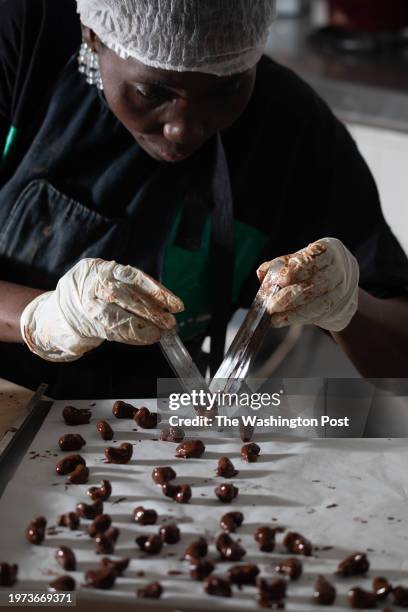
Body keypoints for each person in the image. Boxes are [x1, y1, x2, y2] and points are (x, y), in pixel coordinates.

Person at [0, 0, 407, 400]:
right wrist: (41, 317)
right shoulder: (26, 38)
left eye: (225, 89)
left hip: (151, 433)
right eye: (152, 91)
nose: (183, 129)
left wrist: (349, 306)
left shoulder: (291, 132)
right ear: (93, 38)